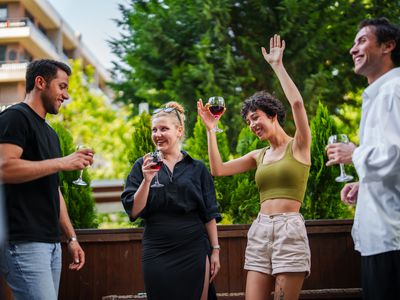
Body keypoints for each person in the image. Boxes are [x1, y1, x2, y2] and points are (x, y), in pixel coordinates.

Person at [198, 34, 311, 300]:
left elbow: (297, 103)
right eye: (248, 121)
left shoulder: (299, 146)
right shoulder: (257, 155)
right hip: (261, 229)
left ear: (272, 115)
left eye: (256, 117)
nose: (252, 124)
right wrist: (211, 130)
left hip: (289, 230)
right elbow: (218, 169)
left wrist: (277, 65)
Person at [0, 59, 94, 300]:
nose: (66, 95)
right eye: (62, 87)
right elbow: (4, 168)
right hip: (22, 241)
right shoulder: (14, 117)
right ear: (40, 82)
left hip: (50, 242)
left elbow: (54, 189)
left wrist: (71, 238)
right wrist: (63, 162)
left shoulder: (50, 133)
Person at [326, 17, 400, 300]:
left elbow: (395, 155)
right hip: (380, 236)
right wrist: (364, 185)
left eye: (362, 41)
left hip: (392, 237)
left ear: (388, 46)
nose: (352, 49)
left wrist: (354, 154)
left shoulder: (394, 90)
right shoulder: (378, 94)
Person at [121, 101, 221, 300]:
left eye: (164, 129)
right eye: (154, 129)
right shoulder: (143, 164)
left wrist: (215, 250)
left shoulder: (197, 168)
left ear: (179, 131)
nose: (157, 134)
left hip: (194, 247)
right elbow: (134, 211)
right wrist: (147, 180)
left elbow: (209, 213)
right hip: (157, 248)